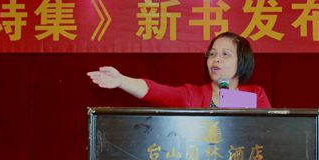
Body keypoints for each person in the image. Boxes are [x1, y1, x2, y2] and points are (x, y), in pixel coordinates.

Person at [87, 31, 271, 108]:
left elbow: (271, 130)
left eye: (225, 54)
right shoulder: (193, 95)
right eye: (212, 54)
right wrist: (122, 80)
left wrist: (228, 97)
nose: (216, 59)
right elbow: (156, 91)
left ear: (242, 61)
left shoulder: (256, 95)